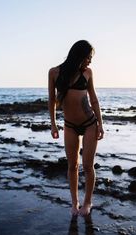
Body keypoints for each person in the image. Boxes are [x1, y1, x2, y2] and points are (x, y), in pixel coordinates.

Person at [48, 40, 104, 216]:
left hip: (89, 124)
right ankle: (75, 203)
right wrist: (53, 124)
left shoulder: (87, 73)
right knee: (72, 166)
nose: (90, 61)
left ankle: (87, 203)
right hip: (70, 125)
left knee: (88, 165)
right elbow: (51, 101)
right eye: (88, 57)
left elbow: (93, 99)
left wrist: (101, 123)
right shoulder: (54, 73)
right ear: (79, 56)